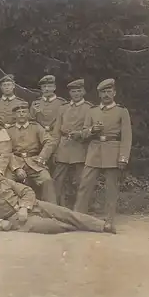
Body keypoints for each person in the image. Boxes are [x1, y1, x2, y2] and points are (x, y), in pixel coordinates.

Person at [0, 165, 116, 234]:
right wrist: (0, 224)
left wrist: (24, 207)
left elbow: (27, 190)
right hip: (17, 220)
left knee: (65, 213)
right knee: (53, 226)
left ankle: (102, 226)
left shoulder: (5, 182)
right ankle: (80, 227)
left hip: (33, 206)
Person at [74, 78, 132, 225]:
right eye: (103, 92)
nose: (106, 94)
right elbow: (83, 133)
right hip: (94, 151)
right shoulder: (92, 111)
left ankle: (109, 220)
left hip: (113, 151)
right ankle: (77, 218)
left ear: (114, 93)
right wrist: (92, 130)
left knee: (111, 189)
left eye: (109, 91)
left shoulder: (121, 111)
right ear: (99, 95)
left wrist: (123, 157)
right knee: (84, 185)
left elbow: (127, 136)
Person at [5, 101, 58, 204]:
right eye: (18, 112)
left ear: (28, 113)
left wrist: (42, 157)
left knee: (46, 180)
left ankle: (52, 209)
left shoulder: (36, 127)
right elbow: (5, 150)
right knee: (6, 181)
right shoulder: (8, 130)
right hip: (15, 162)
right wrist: (16, 168)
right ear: (14, 115)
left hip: (34, 162)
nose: (21, 114)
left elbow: (49, 141)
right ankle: (11, 208)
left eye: (24, 111)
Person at [52, 79, 93, 207]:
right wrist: (54, 148)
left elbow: (92, 130)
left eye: (79, 91)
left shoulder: (89, 108)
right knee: (58, 179)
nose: (76, 94)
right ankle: (57, 207)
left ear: (84, 92)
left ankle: (81, 208)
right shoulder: (63, 108)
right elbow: (56, 130)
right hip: (63, 146)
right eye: (73, 91)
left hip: (80, 146)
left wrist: (81, 134)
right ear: (70, 93)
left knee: (81, 180)